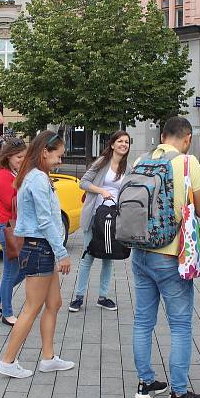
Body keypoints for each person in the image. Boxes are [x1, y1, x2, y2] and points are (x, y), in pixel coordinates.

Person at [132, 117, 200, 398]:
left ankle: (145, 383)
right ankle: (178, 394)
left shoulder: (141, 160)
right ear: (187, 138)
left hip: (140, 252)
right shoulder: (188, 163)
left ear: (162, 135)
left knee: (142, 321)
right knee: (179, 325)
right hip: (170, 256)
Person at [0, 131, 74, 379]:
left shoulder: (35, 176)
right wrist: (62, 253)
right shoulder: (38, 179)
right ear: (45, 152)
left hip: (41, 248)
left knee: (54, 303)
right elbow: (45, 220)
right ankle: (8, 361)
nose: (60, 161)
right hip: (39, 248)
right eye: (58, 156)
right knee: (31, 308)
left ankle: (49, 358)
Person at [69, 130, 131, 313]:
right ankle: (78, 297)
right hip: (95, 216)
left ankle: (102, 297)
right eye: (120, 141)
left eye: (126, 142)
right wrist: (101, 191)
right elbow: (83, 183)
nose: (123, 144)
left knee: (108, 257)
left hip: (114, 219)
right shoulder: (102, 162)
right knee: (88, 256)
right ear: (112, 144)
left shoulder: (128, 168)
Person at [0, 138, 28, 326]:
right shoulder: (3, 175)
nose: (22, 159)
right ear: (9, 156)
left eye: (24, 156)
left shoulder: (12, 172)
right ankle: (7, 313)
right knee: (10, 273)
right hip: (8, 228)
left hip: (13, 227)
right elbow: (11, 202)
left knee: (21, 270)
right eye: (19, 156)